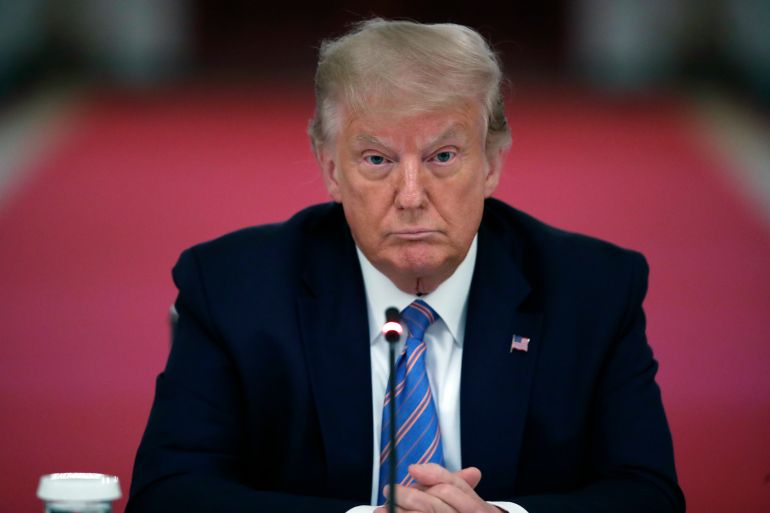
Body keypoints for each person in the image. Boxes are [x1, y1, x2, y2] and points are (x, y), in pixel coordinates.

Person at [127, 18, 685, 513]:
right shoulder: (232, 290)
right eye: (377, 159)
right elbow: (167, 494)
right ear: (330, 168)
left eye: (443, 156)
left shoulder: (592, 291)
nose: (411, 195)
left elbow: (648, 495)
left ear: (491, 164)